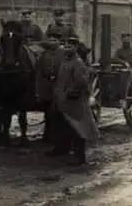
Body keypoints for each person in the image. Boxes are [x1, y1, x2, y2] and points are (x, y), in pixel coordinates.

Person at [48, 36, 99, 167]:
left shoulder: (78, 63)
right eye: (65, 45)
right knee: (63, 128)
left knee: (77, 129)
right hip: (62, 102)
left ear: (76, 47)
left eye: (71, 45)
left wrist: (69, 94)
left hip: (74, 103)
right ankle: (62, 150)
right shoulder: (65, 61)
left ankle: (80, 158)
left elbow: (82, 83)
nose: (67, 47)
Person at [35, 32, 66, 143]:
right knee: (47, 111)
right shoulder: (44, 55)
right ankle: (47, 134)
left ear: (59, 42)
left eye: (55, 40)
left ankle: (58, 135)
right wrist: (38, 89)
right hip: (47, 85)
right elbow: (39, 72)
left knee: (57, 112)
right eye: (50, 40)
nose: (52, 42)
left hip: (59, 84)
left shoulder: (64, 54)